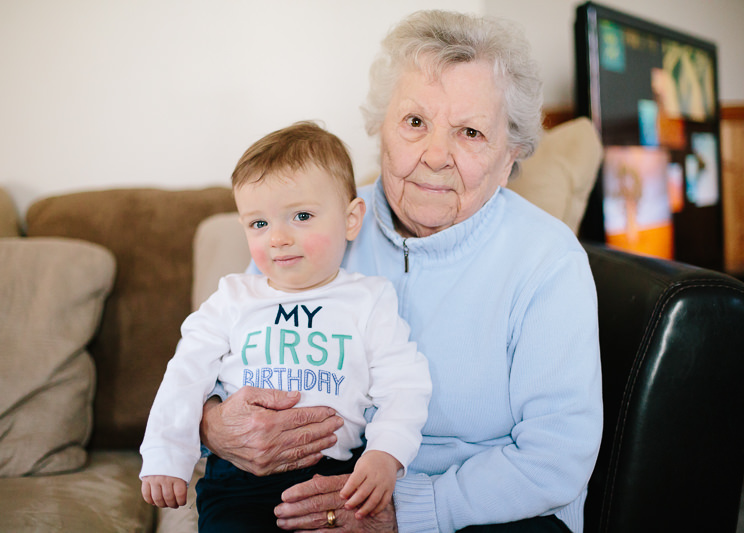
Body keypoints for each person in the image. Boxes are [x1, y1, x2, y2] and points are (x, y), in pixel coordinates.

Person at [197, 9, 603, 533]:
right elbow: (212, 349)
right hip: (324, 487)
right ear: (379, 128)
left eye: (471, 132)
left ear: (509, 157)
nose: (436, 155)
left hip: (493, 513)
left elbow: (556, 458)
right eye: (415, 123)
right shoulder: (316, 224)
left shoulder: (549, 261)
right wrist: (213, 424)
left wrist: (408, 509)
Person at [139, 121, 432, 532]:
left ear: (351, 219)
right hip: (238, 480)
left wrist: (386, 455)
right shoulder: (233, 298)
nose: (277, 238)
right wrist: (166, 455)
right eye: (259, 224)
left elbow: (404, 385)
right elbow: (185, 375)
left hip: (335, 477)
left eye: (301, 216)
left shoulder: (370, 300)